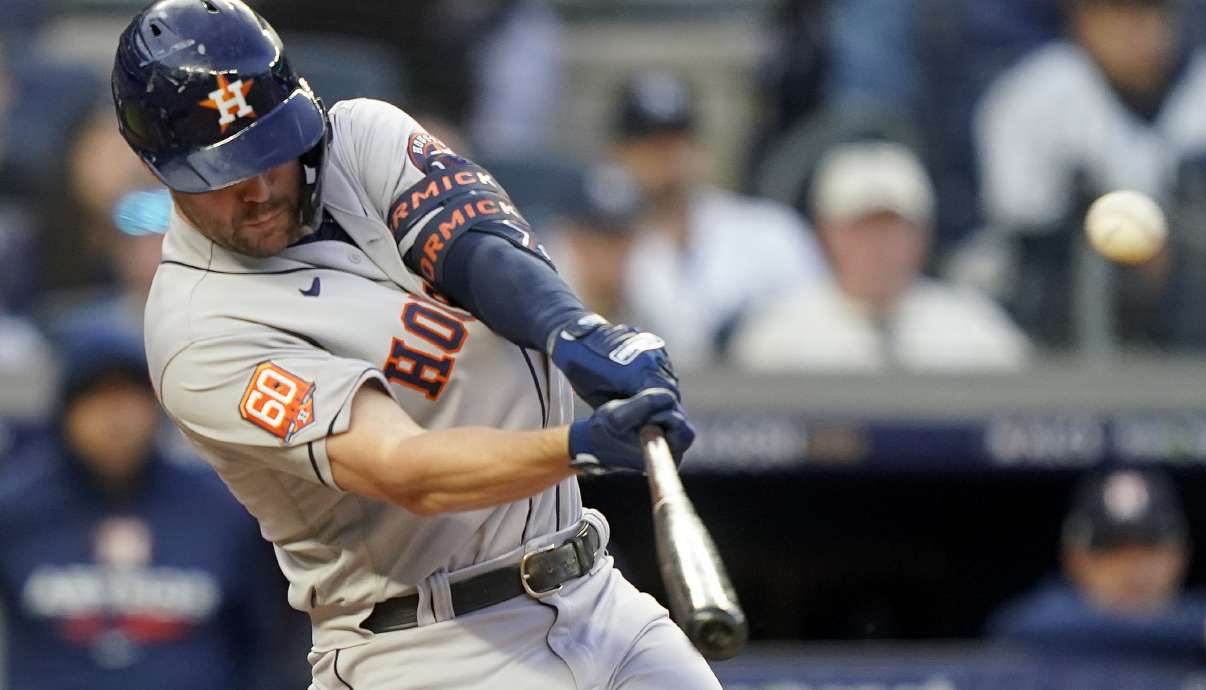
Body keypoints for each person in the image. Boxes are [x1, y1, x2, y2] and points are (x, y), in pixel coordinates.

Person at [110, 2, 714, 688]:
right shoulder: (198, 331)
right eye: (224, 175)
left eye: (273, 150)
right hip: (429, 646)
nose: (260, 189)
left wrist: (576, 333)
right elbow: (408, 471)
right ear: (160, 170)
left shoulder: (360, 136)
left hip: (594, 587)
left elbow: (476, 246)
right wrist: (581, 447)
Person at [0, 328, 292, 690]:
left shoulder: (224, 506)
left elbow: (273, 640)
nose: (114, 417)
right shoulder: (16, 509)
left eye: (128, 396)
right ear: (65, 410)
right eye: (96, 397)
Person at [964, 0, 1206, 347]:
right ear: (1082, 21)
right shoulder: (1031, 96)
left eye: (1148, 15)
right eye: (1117, 16)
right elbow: (1023, 227)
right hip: (1067, 287)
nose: (1135, 32)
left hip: (1203, 287)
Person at [731, 140, 1030, 372]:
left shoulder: (977, 330)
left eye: (893, 228)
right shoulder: (777, 338)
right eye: (861, 229)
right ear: (826, 234)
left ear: (922, 234)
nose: (877, 246)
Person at [612, 69, 824, 368]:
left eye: (674, 140)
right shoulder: (595, 246)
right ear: (618, 153)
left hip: (765, 406)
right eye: (648, 143)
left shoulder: (770, 230)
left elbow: (821, 326)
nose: (664, 157)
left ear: (698, 148)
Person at [989, 470, 1206, 667]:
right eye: (1113, 551)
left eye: (1150, 547)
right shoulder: (1046, 619)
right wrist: (1200, 631)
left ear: (1180, 552)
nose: (1135, 568)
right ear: (1075, 558)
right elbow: (1018, 626)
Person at [548, 162, 644, 325]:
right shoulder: (540, 309)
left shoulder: (649, 308)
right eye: (597, 241)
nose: (609, 255)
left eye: (619, 240)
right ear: (573, 240)